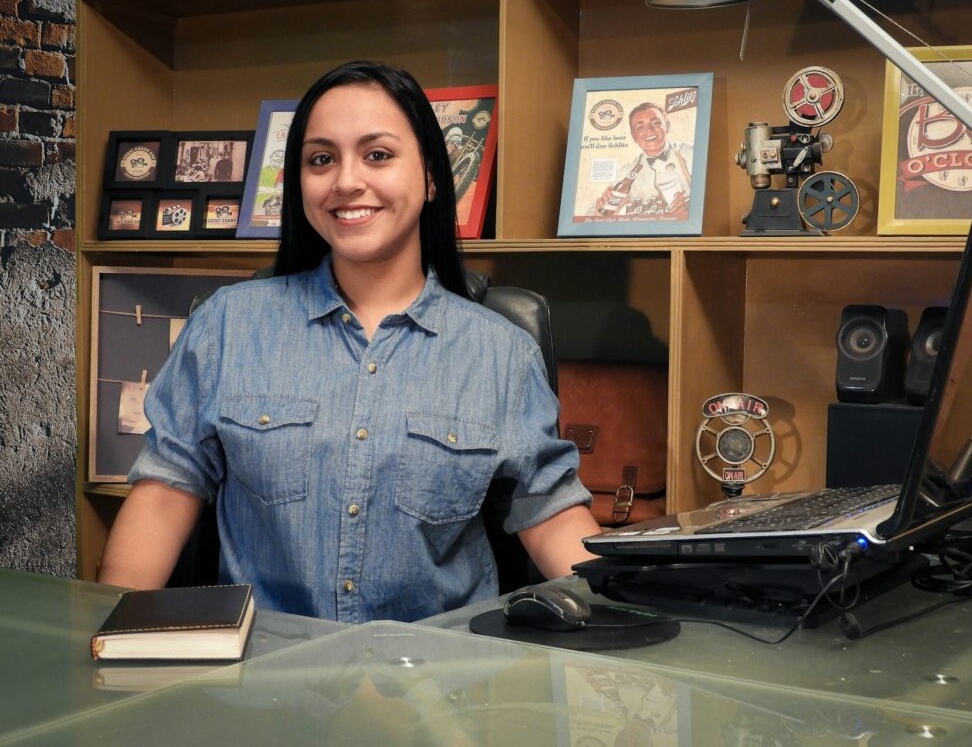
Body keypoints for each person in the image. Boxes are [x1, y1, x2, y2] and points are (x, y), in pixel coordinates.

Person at [98, 60, 602, 623]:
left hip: (442, 684)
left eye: (378, 155)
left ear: (434, 176)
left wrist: (617, 628)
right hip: (266, 680)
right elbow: (165, 496)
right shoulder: (227, 326)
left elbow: (552, 515)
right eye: (321, 159)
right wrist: (109, 642)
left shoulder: (499, 353)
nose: (346, 181)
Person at [592, 102, 692, 218]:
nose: (649, 130)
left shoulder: (690, 154)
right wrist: (601, 210)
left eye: (655, 123)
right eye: (640, 127)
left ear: (667, 126)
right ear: (634, 136)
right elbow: (590, 216)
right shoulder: (625, 173)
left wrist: (691, 209)